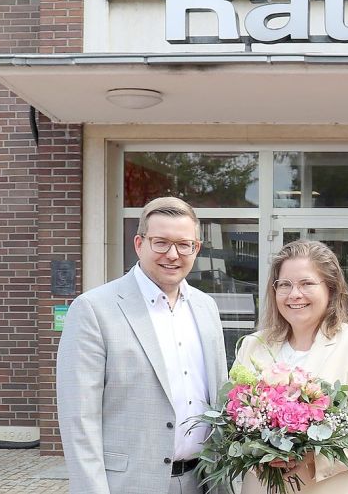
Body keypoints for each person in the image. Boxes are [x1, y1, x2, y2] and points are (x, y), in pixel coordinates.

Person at [56, 196, 229, 494]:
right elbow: (79, 420)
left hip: (203, 481)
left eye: (184, 244)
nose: (173, 254)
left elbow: (218, 396)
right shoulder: (94, 309)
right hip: (129, 484)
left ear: (196, 248)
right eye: (160, 242)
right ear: (139, 244)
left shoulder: (206, 307)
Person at [235, 239, 348, 493]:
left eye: (307, 283)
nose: (294, 294)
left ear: (331, 289)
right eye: (284, 285)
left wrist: (311, 458)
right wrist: (258, 447)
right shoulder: (253, 346)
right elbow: (234, 422)